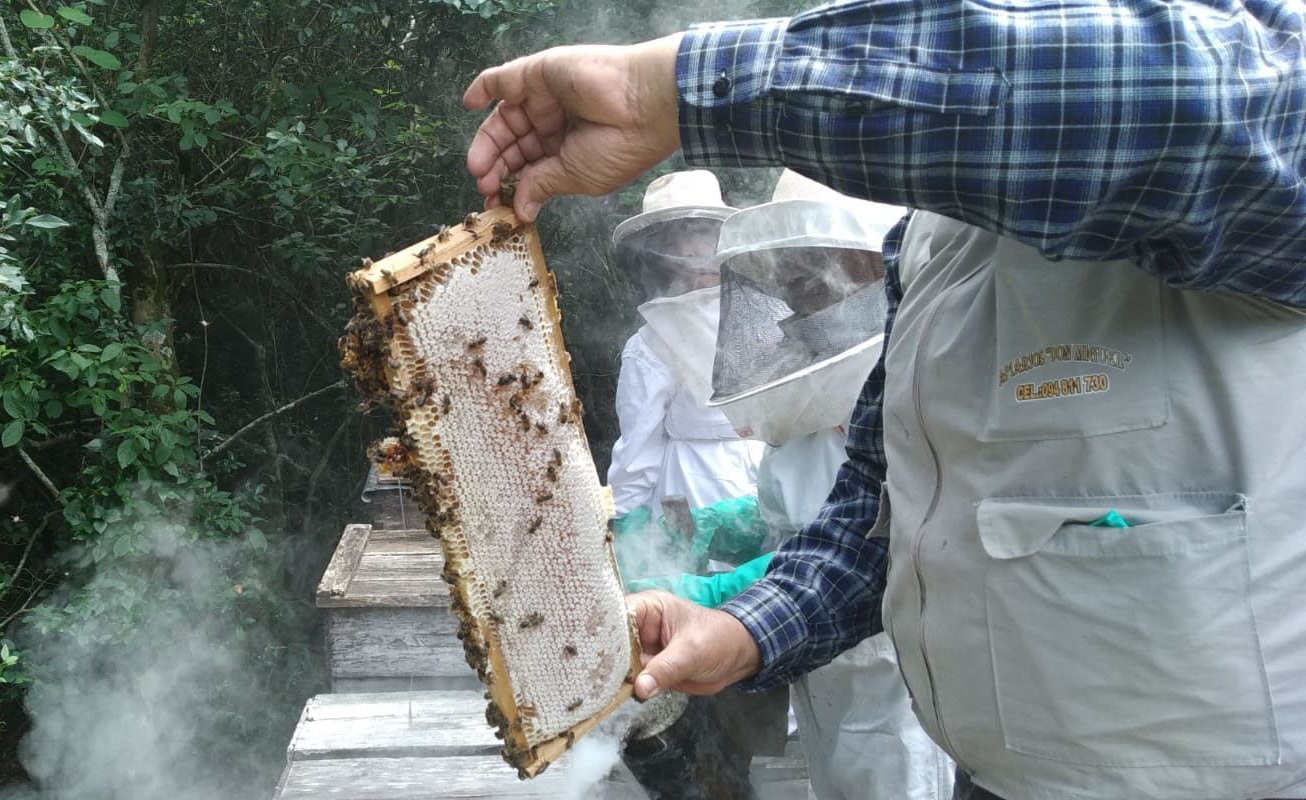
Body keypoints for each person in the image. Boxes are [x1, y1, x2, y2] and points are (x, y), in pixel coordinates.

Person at [462, 4, 1306, 799]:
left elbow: (1148, 97)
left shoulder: (1263, 83)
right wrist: (748, 626)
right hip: (994, 768)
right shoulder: (930, 245)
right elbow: (882, 505)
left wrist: (672, 90)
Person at [629, 169, 954, 800]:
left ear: (871, 254)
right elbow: (809, 500)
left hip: (899, 675)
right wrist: (736, 519)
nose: (800, 287)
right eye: (791, 270)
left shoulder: (914, 380)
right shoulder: (804, 387)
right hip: (821, 663)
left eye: (814, 264)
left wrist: (722, 591)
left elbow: (881, 544)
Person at [607, 170, 764, 518]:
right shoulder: (649, 344)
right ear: (658, 255)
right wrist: (621, 525)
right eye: (672, 241)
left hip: (775, 485)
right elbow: (636, 457)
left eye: (702, 233)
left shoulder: (767, 311)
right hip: (693, 494)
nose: (690, 251)